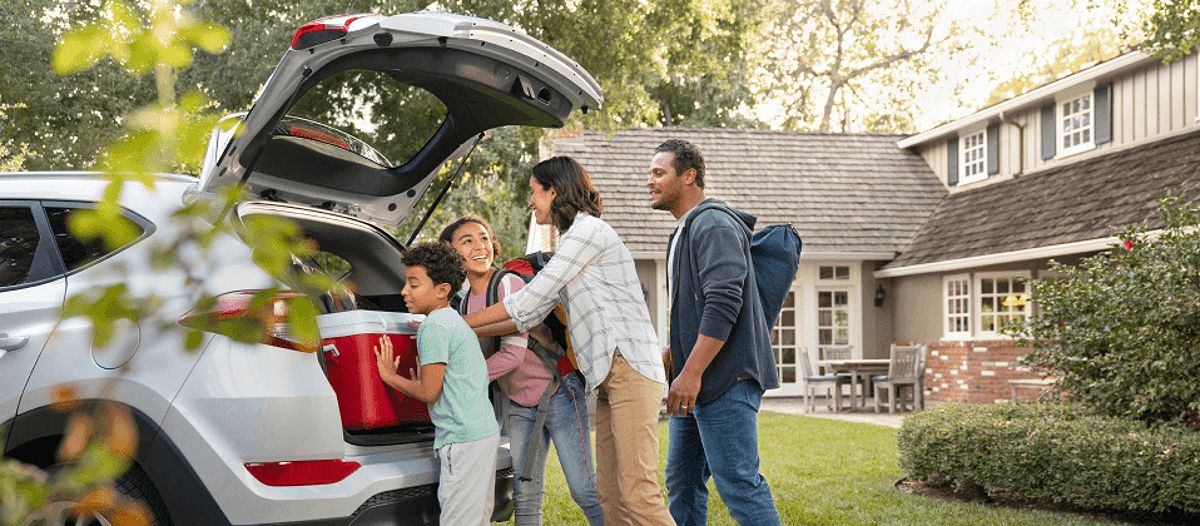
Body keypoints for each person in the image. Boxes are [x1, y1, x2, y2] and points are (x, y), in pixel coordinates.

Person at [460, 156, 675, 526]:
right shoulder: (571, 243)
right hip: (610, 375)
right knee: (610, 494)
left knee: (638, 493)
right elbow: (528, 314)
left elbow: (524, 302)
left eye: (534, 192)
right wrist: (464, 328)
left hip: (631, 370)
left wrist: (458, 325)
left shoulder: (587, 233)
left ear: (554, 192)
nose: (530, 202)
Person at [648, 139, 782, 526]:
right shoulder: (685, 231)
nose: (649, 181)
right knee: (683, 479)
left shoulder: (713, 223)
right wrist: (677, 353)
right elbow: (695, 304)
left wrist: (690, 372)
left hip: (724, 379)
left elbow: (724, 302)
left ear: (688, 176)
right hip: (696, 379)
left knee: (739, 482)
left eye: (660, 173)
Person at [438, 215, 604, 526]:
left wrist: (457, 380)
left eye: (484, 238)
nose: (479, 246)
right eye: (467, 241)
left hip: (559, 391)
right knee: (525, 498)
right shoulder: (461, 305)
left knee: (583, 490)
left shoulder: (508, 284)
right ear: (451, 253)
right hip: (519, 403)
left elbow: (512, 356)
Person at [373, 242, 499, 526]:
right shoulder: (452, 321)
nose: (404, 291)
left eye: (413, 284)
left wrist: (390, 376)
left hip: (463, 441)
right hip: (483, 433)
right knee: (477, 518)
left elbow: (431, 392)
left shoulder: (433, 327)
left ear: (442, 290)